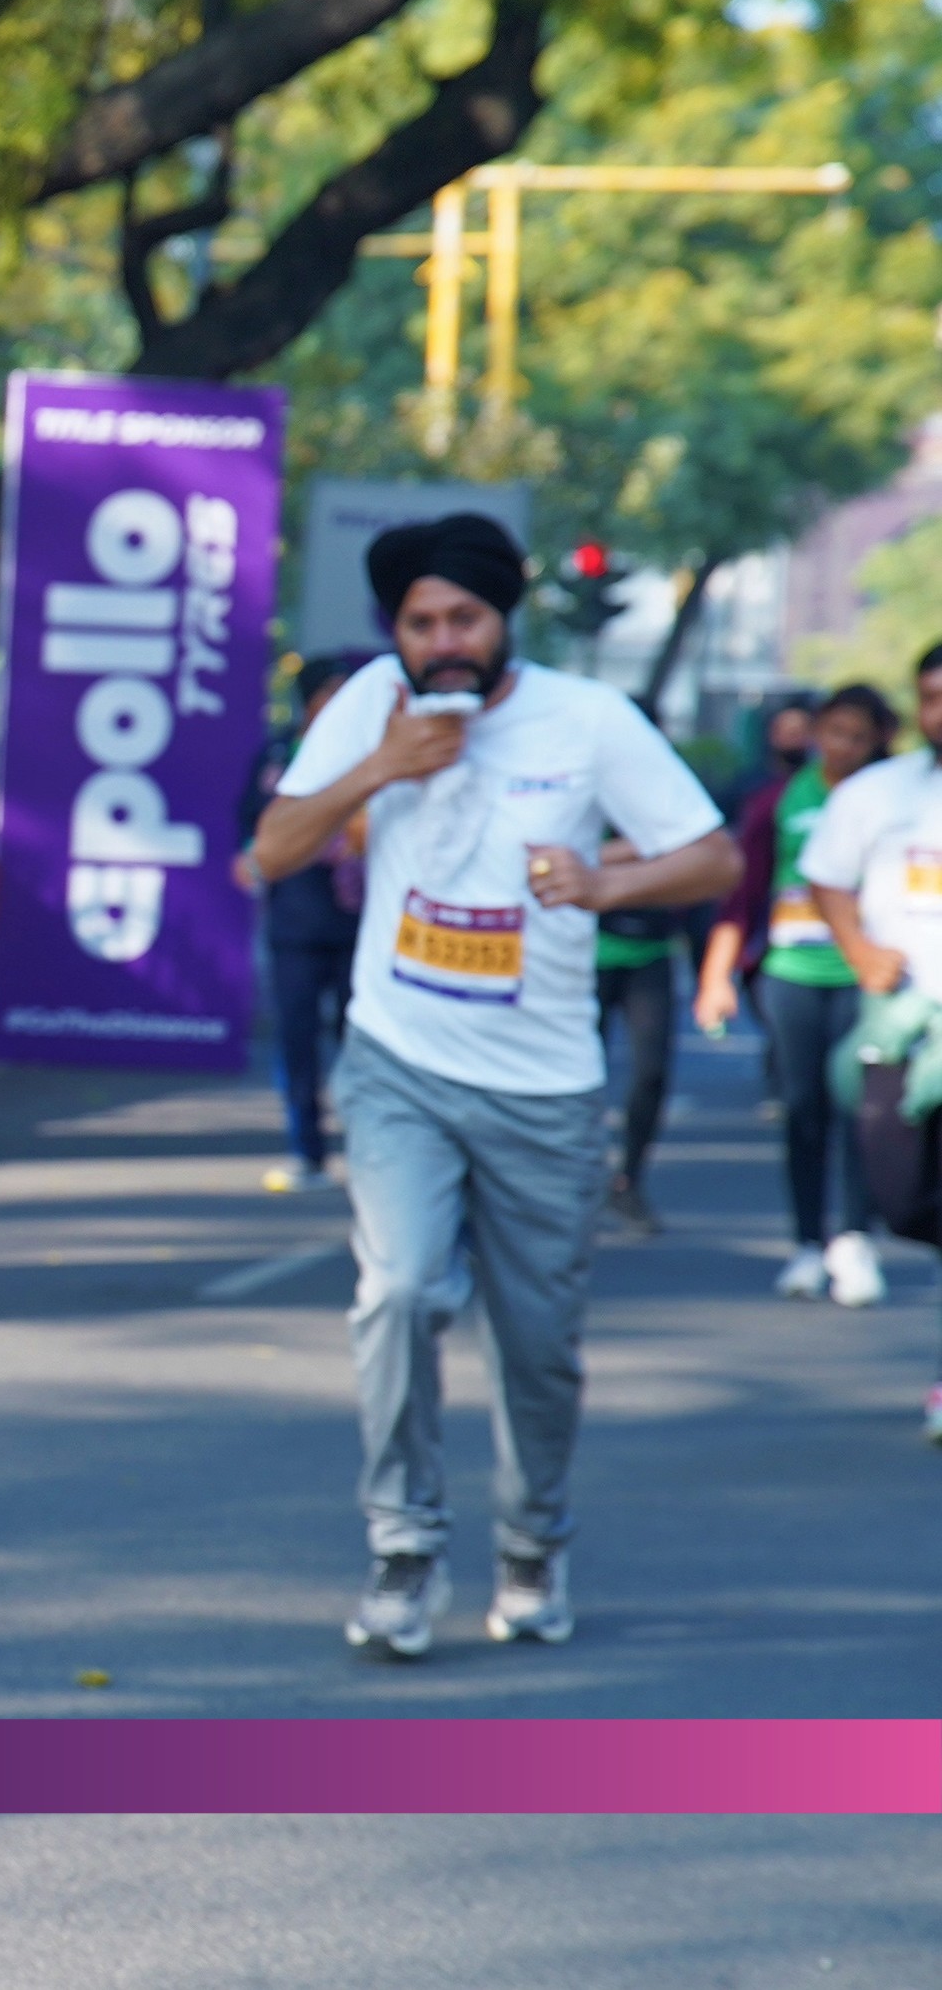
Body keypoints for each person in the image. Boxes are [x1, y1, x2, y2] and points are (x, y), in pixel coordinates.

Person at [250, 513, 739, 1658]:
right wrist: (381, 767)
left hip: (547, 1088)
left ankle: (532, 1544)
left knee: (538, 1347)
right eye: (420, 622)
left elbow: (713, 855)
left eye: (463, 618)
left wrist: (603, 884)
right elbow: (272, 850)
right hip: (399, 1062)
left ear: (503, 617)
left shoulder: (589, 719)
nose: (443, 641)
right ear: (397, 631)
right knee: (399, 1292)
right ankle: (403, 1549)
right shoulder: (371, 705)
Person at [695, 683, 898, 1304]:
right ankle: (808, 1242)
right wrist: (717, 974)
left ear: (878, 740)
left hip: (867, 978)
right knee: (804, 1107)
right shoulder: (780, 801)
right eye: (833, 733)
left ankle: (855, 1239)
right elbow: (743, 893)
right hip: (792, 972)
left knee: (861, 1110)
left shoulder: (892, 800)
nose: (842, 747)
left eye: (857, 737)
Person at [795, 643, 942, 1446]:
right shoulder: (877, 794)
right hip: (900, 1022)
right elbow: (825, 875)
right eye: (930, 697)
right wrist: (856, 947)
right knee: (902, 1196)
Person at [237, 655, 367, 1192]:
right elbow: (249, 826)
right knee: (297, 1042)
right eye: (328, 693)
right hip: (294, 925)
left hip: (360, 925)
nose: (338, 704)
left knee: (363, 1046)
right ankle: (306, 1150)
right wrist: (250, 857)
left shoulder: (373, 755)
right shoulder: (278, 755)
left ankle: (372, 1151)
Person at [592, 884, 681, 1235]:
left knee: (652, 1072)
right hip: (588, 954)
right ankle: (580, 1177)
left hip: (652, 952)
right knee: (582, 1076)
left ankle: (628, 1181)